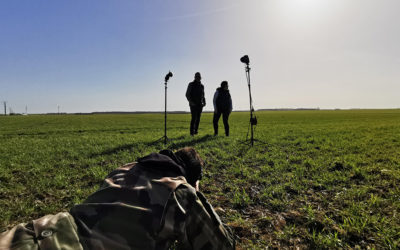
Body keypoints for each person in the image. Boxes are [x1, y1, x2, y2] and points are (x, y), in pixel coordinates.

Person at [0, 148, 235, 250]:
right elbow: (223, 244)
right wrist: (195, 192)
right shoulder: (181, 193)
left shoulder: (124, 169)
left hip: (38, 230)